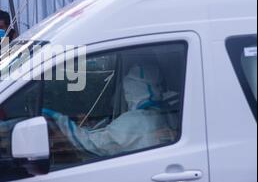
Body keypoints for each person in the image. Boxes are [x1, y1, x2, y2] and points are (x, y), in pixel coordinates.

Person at [42, 64, 178, 157]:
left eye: (128, 88)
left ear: (133, 88)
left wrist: (57, 120)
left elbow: (92, 144)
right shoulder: (170, 116)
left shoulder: (136, 121)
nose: (126, 93)